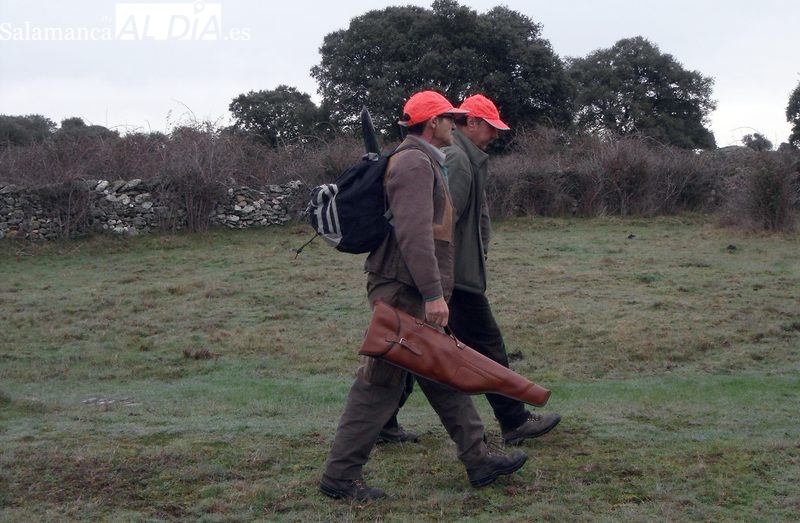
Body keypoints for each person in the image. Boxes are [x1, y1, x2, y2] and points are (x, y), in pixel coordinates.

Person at [319, 91, 528, 502]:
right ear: (432, 123)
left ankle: (478, 457)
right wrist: (434, 293)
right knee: (379, 382)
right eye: (450, 118)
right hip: (404, 288)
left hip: (408, 285)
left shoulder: (423, 158)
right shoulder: (414, 163)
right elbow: (414, 235)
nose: (456, 124)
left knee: (440, 371)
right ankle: (340, 478)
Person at [381, 94, 561, 446]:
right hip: (455, 277)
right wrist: (440, 280)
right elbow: (443, 223)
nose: (495, 135)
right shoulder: (459, 160)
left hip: (453, 274)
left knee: (413, 348)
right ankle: (514, 421)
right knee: (487, 345)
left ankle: (383, 422)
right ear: (472, 123)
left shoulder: (465, 157)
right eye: (490, 127)